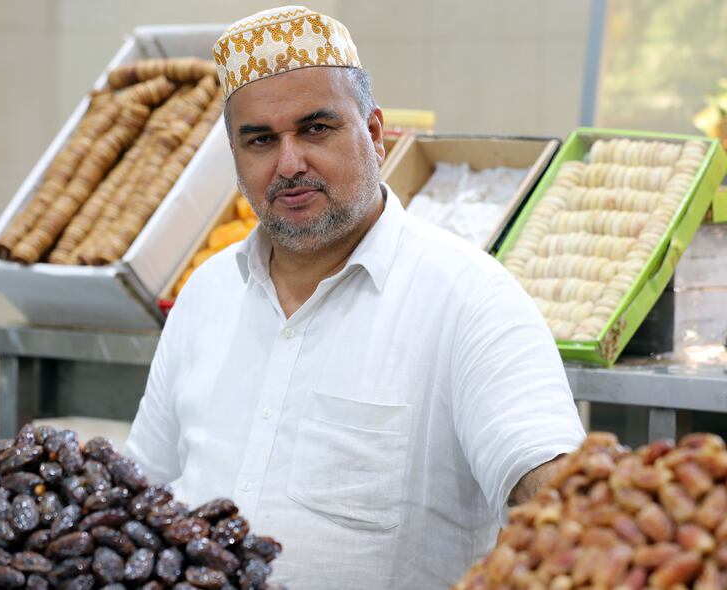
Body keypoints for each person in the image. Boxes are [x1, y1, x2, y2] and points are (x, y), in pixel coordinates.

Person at [125, 6, 585, 588]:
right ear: (236, 156)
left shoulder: (470, 299)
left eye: (316, 129)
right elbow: (142, 488)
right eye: (261, 140)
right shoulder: (206, 294)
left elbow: (545, 476)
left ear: (372, 132)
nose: (289, 164)